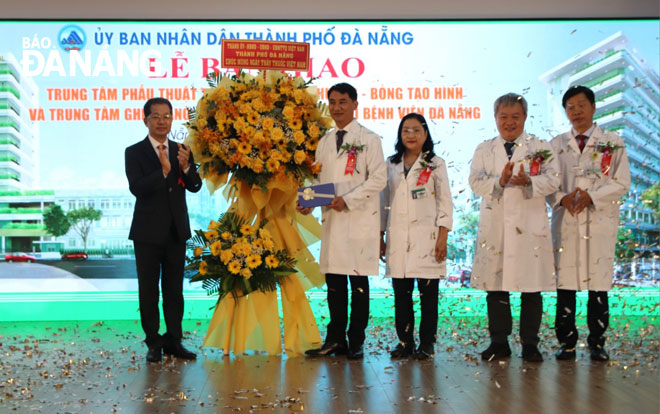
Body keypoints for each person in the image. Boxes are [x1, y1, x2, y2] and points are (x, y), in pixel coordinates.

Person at [469, 93, 559, 362]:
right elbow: (475, 181)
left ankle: (530, 343)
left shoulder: (540, 146)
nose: (509, 122)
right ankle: (499, 342)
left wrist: (529, 182)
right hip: (495, 226)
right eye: (503, 117)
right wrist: (500, 181)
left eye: (515, 117)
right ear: (495, 118)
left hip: (529, 225)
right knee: (496, 288)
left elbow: (554, 179)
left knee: (532, 288)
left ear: (525, 118)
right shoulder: (484, 149)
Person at [298, 83, 386, 359]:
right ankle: (334, 339)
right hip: (333, 223)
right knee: (335, 286)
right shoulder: (324, 142)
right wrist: (308, 201)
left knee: (358, 287)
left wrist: (348, 199)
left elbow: (379, 179)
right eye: (333, 102)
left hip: (358, 220)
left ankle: (356, 341)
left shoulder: (369, 139)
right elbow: (317, 178)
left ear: (355, 104)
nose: (337, 107)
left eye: (343, 102)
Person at [547, 85, 631, 361]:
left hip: (599, 221)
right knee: (566, 285)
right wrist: (561, 199)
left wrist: (591, 196)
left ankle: (597, 342)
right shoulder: (556, 145)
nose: (576, 111)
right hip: (567, 221)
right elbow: (546, 184)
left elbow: (622, 182)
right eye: (570, 107)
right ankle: (567, 343)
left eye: (581, 105)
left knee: (598, 285)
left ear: (593, 107)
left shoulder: (612, 142)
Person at [125, 97, 203, 363]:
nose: (161, 121)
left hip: (175, 231)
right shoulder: (134, 152)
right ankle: (153, 342)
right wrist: (163, 171)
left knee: (174, 291)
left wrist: (186, 167)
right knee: (148, 289)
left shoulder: (182, 149)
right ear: (145, 119)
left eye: (166, 116)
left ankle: (174, 340)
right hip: (147, 233)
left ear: (172, 119)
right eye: (156, 116)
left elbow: (195, 186)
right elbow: (137, 188)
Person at [380, 113, 453, 360]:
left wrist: (443, 236)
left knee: (428, 297)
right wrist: (381, 235)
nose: (410, 135)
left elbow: (445, 202)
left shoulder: (435, 163)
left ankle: (427, 344)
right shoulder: (390, 164)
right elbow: (383, 202)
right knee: (402, 295)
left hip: (428, 239)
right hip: (398, 238)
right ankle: (404, 342)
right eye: (405, 131)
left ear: (425, 134)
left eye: (416, 130)